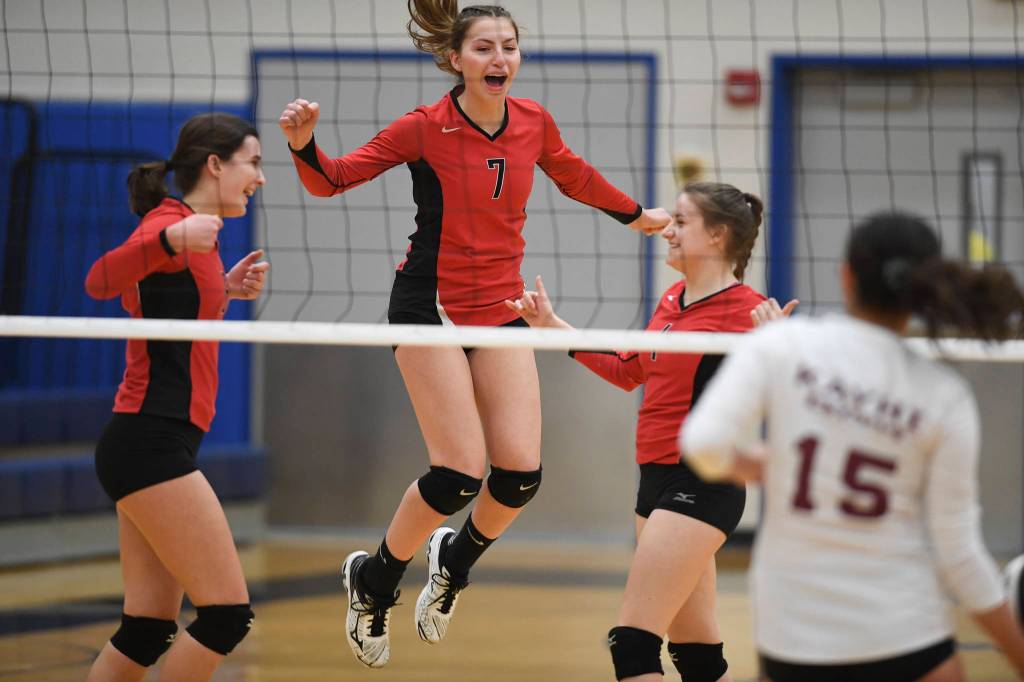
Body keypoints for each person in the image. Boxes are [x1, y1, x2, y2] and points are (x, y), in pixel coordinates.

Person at [277, 0, 670, 669]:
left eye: (509, 47)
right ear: (455, 59)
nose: (500, 59)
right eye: (484, 48)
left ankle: (452, 563)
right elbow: (332, 182)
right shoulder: (424, 127)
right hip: (428, 305)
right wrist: (302, 144)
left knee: (518, 476)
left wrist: (635, 216)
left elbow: (573, 172)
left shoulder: (533, 122)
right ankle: (374, 580)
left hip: (499, 306)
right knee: (458, 474)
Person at [681, 212, 1024, 682]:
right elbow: (959, 555)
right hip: (906, 637)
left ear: (845, 275)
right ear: (922, 290)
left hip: (793, 643)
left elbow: (702, 445)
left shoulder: (781, 345)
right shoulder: (944, 395)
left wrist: (760, 463)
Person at [509, 182, 787, 682]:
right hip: (654, 482)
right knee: (698, 656)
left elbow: (790, 402)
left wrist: (779, 351)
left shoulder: (749, 313)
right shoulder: (672, 300)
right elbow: (626, 370)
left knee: (632, 646)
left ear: (719, 235)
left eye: (682, 222)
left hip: (703, 485)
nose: (667, 231)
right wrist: (550, 326)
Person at [83, 112, 268, 682]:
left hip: (154, 441)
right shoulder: (171, 221)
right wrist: (167, 239)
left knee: (147, 626)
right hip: (148, 440)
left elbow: (160, 304)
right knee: (226, 616)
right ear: (215, 165)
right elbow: (101, 280)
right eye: (253, 163)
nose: (259, 177)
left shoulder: (199, 233)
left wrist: (224, 292)